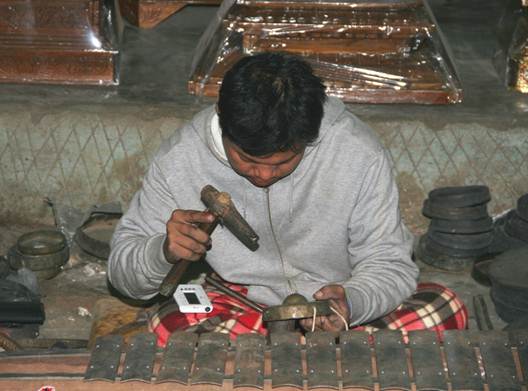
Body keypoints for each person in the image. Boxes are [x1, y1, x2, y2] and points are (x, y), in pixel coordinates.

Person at [108, 52, 466, 343]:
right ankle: (323, 368)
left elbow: (389, 264)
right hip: (243, 304)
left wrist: (351, 304)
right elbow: (124, 278)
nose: (263, 176)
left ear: (308, 138)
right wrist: (163, 252)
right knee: (169, 324)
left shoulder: (357, 152)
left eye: (284, 162)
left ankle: (272, 368)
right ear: (222, 120)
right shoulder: (179, 160)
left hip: (335, 310)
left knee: (442, 308)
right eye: (247, 160)